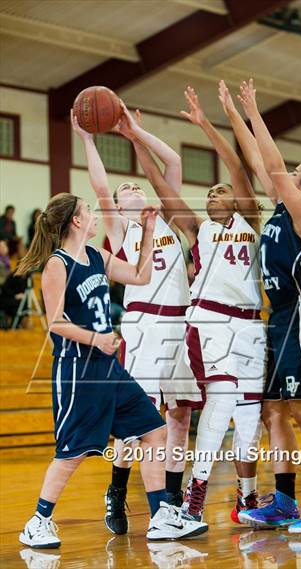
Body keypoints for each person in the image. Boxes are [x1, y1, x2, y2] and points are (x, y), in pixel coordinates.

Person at [16, 192, 207, 548]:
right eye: (87, 210)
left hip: (109, 369)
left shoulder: (96, 255)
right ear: (75, 221)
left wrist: (149, 230)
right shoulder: (57, 265)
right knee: (73, 451)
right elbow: (55, 323)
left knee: (153, 429)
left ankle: (161, 516)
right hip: (79, 369)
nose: (93, 214)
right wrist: (95, 338)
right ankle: (38, 521)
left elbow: (139, 275)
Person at [223, 79, 301, 532]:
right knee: (274, 410)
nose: (284, 176)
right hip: (278, 317)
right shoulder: (282, 207)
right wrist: (231, 114)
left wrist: (256, 111)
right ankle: (281, 500)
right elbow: (261, 162)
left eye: (295, 174)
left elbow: (273, 166)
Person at [134, 86, 267, 525]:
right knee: (221, 402)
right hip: (209, 319)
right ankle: (195, 494)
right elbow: (157, 182)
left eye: (219, 191)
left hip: (250, 325)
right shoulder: (197, 229)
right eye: (208, 192)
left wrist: (209, 122)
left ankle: (246, 499)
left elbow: (235, 164)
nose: (212, 194)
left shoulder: (250, 219)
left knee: (249, 415)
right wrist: (135, 137)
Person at [72, 106, 199, 535]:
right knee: (140, 421)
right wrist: (89, 139)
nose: (129, 186)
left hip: (180, 327)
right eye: (125, 186)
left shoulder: (164, 218)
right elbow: (101, 184)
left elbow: (175, 163)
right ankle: (118, 491)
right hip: (145, 329)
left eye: (134, 183)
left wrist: (136, 133)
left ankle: (174, 498)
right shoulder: (119, 229)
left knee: (180, 417)